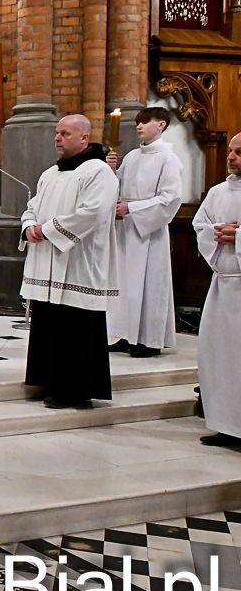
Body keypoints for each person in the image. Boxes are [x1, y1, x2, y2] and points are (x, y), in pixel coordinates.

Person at [21, 114, 119, 409]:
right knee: (50, 321)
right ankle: (48, 380)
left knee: (75, 325)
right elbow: (32, 206)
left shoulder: (98, 172)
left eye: (65, 133)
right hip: (47, 260)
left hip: (79, 262)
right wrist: (29, 226)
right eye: (57, 132)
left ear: (84, 138)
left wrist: (47, 230)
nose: (57, 138)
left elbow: (92, 213)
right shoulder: (50, 173)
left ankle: (75, 390)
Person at [106, 108, 183, 358]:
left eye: (145, 122)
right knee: (126, 284)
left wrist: (132, 208)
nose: (139, 126)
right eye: (138, 122)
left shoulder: (168, 158)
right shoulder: (131, 156)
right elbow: (117, 187)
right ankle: (125, 334)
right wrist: (111, 171)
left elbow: (171, 198)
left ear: (161, 125)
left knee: (149, 285)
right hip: (126, 229)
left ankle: (149, 340)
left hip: (149, 233)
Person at [192, 131, 241, 447]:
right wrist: (216, 232)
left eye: (239, 152)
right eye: (231, 151)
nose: (231, 157)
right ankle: (226, 424)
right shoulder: (218, 191)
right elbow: (200, 225)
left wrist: (239, 236)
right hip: (222, 284)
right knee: (220, 357)